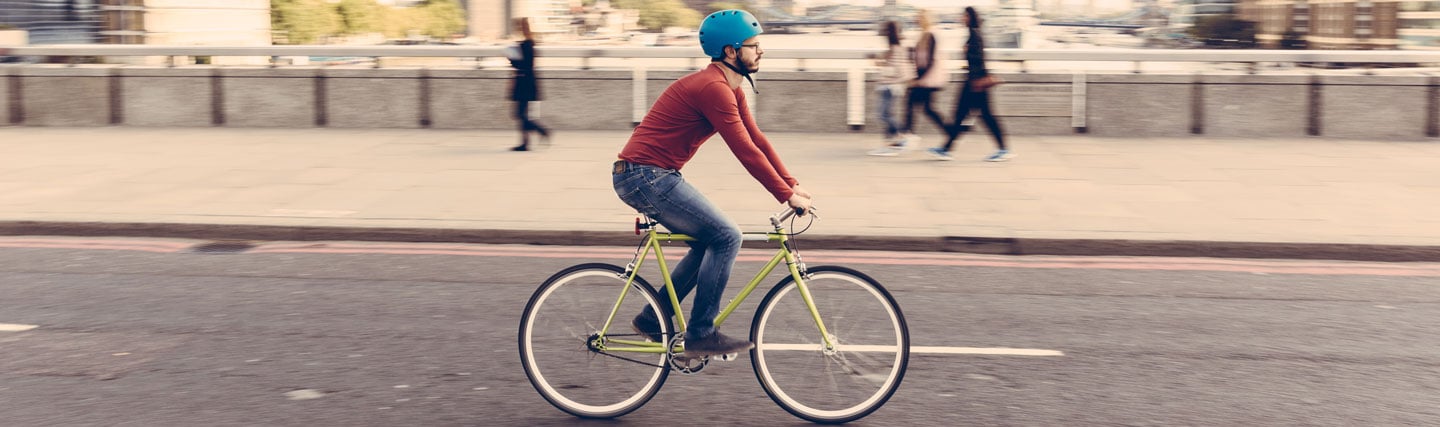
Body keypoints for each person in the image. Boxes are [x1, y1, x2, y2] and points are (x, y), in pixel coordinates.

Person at [612, 9, 814, 357]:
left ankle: (651, 318)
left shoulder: (729, 89)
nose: (760, 51)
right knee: (726, 236)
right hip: (643, 175)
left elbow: (758, 140)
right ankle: (701, 333)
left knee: (709, 243)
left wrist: (792, 185)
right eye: (753, 45)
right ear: (730, 52)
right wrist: (784, 195)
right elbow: (745, 153)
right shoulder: (713, 88)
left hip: (652, 174)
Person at [928, 7, 1011, 162]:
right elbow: (977, 60)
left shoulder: (974, 34)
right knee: (963, 115)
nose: (962, 18)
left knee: (984, 116)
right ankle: (946, 149)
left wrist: (975, 79)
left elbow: (979, 60)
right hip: (974, 82)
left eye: (964, 15)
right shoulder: (974, 33)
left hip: (975, 84)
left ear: (970, 17)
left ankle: (1003, 149)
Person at [900, 10, 948, 151]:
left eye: (919, 17)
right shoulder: (923, 35)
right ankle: (951, 132)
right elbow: (916, 55)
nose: (916, 19)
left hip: (928, 78)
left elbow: (931, 60)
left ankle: (909, 135)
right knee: (927, 109)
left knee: (912, 104)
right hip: (923, 77)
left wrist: (918, 80)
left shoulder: (931, 34)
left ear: (926, 19)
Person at [866, 20, 916, 157]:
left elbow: (895, 69)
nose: (883, 32)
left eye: (885, 29)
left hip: (890, 86)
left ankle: (905, 134)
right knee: (888, 114)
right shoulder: (894, 47)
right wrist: (877, 60)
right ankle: (889, 144)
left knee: (883, 114)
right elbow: (889, 65)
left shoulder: (895, 48)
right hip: (889, 86)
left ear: (889, 32)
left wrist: (882, 67)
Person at [508, 17, 551, 152]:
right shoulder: (529, 43)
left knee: (519, 114)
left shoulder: (526, 45)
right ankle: (525, 142)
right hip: (526, 81)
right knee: (522, 114)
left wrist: (512, 59)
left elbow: (524, 64)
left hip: (524, 83)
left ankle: (542, 131)